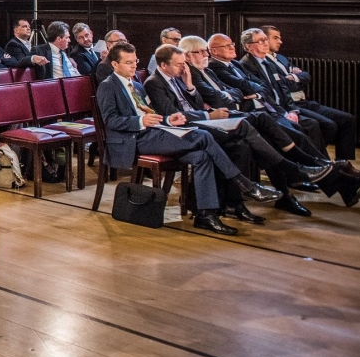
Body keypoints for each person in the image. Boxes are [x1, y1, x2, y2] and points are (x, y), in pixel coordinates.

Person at [95, 43, 280, 235]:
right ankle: (244, 184)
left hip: (153, 131)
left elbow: (153, 115)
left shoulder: (137, 86)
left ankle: (205, 215)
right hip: (133, 139)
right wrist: (141, 120)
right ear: (115, 64)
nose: (133, 66)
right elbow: (111, 120)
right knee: (204, 136)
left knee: (201, 157)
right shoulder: (107, 86)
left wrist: (168, 119)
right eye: (128, 63)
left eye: (135, 61)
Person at [146, 44, 329, 221]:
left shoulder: (180, 76)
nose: (183, 67)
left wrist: (190, 87)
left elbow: (199, 102)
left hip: (206, 117)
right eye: (179, 64)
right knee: (244, 126)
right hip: (191, 126)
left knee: (248, 136)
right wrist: (208, 115)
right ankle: (294, 169)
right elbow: (173, 115)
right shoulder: (154, 83)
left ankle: (236, 203)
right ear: (163, 65)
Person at [263, 25, 356, 162]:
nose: (280, 42)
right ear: (265, 40)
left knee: (348, 119)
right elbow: (282, 84)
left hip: (306, 101)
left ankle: (343, 162)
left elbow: (306, 76)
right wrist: (295, 78)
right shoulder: (263, 62)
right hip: (292, 104)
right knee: (328, 126)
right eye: (275, 38)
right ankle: (314, 159)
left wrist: (293, 77)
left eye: (280, 38)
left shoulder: (281, 58)